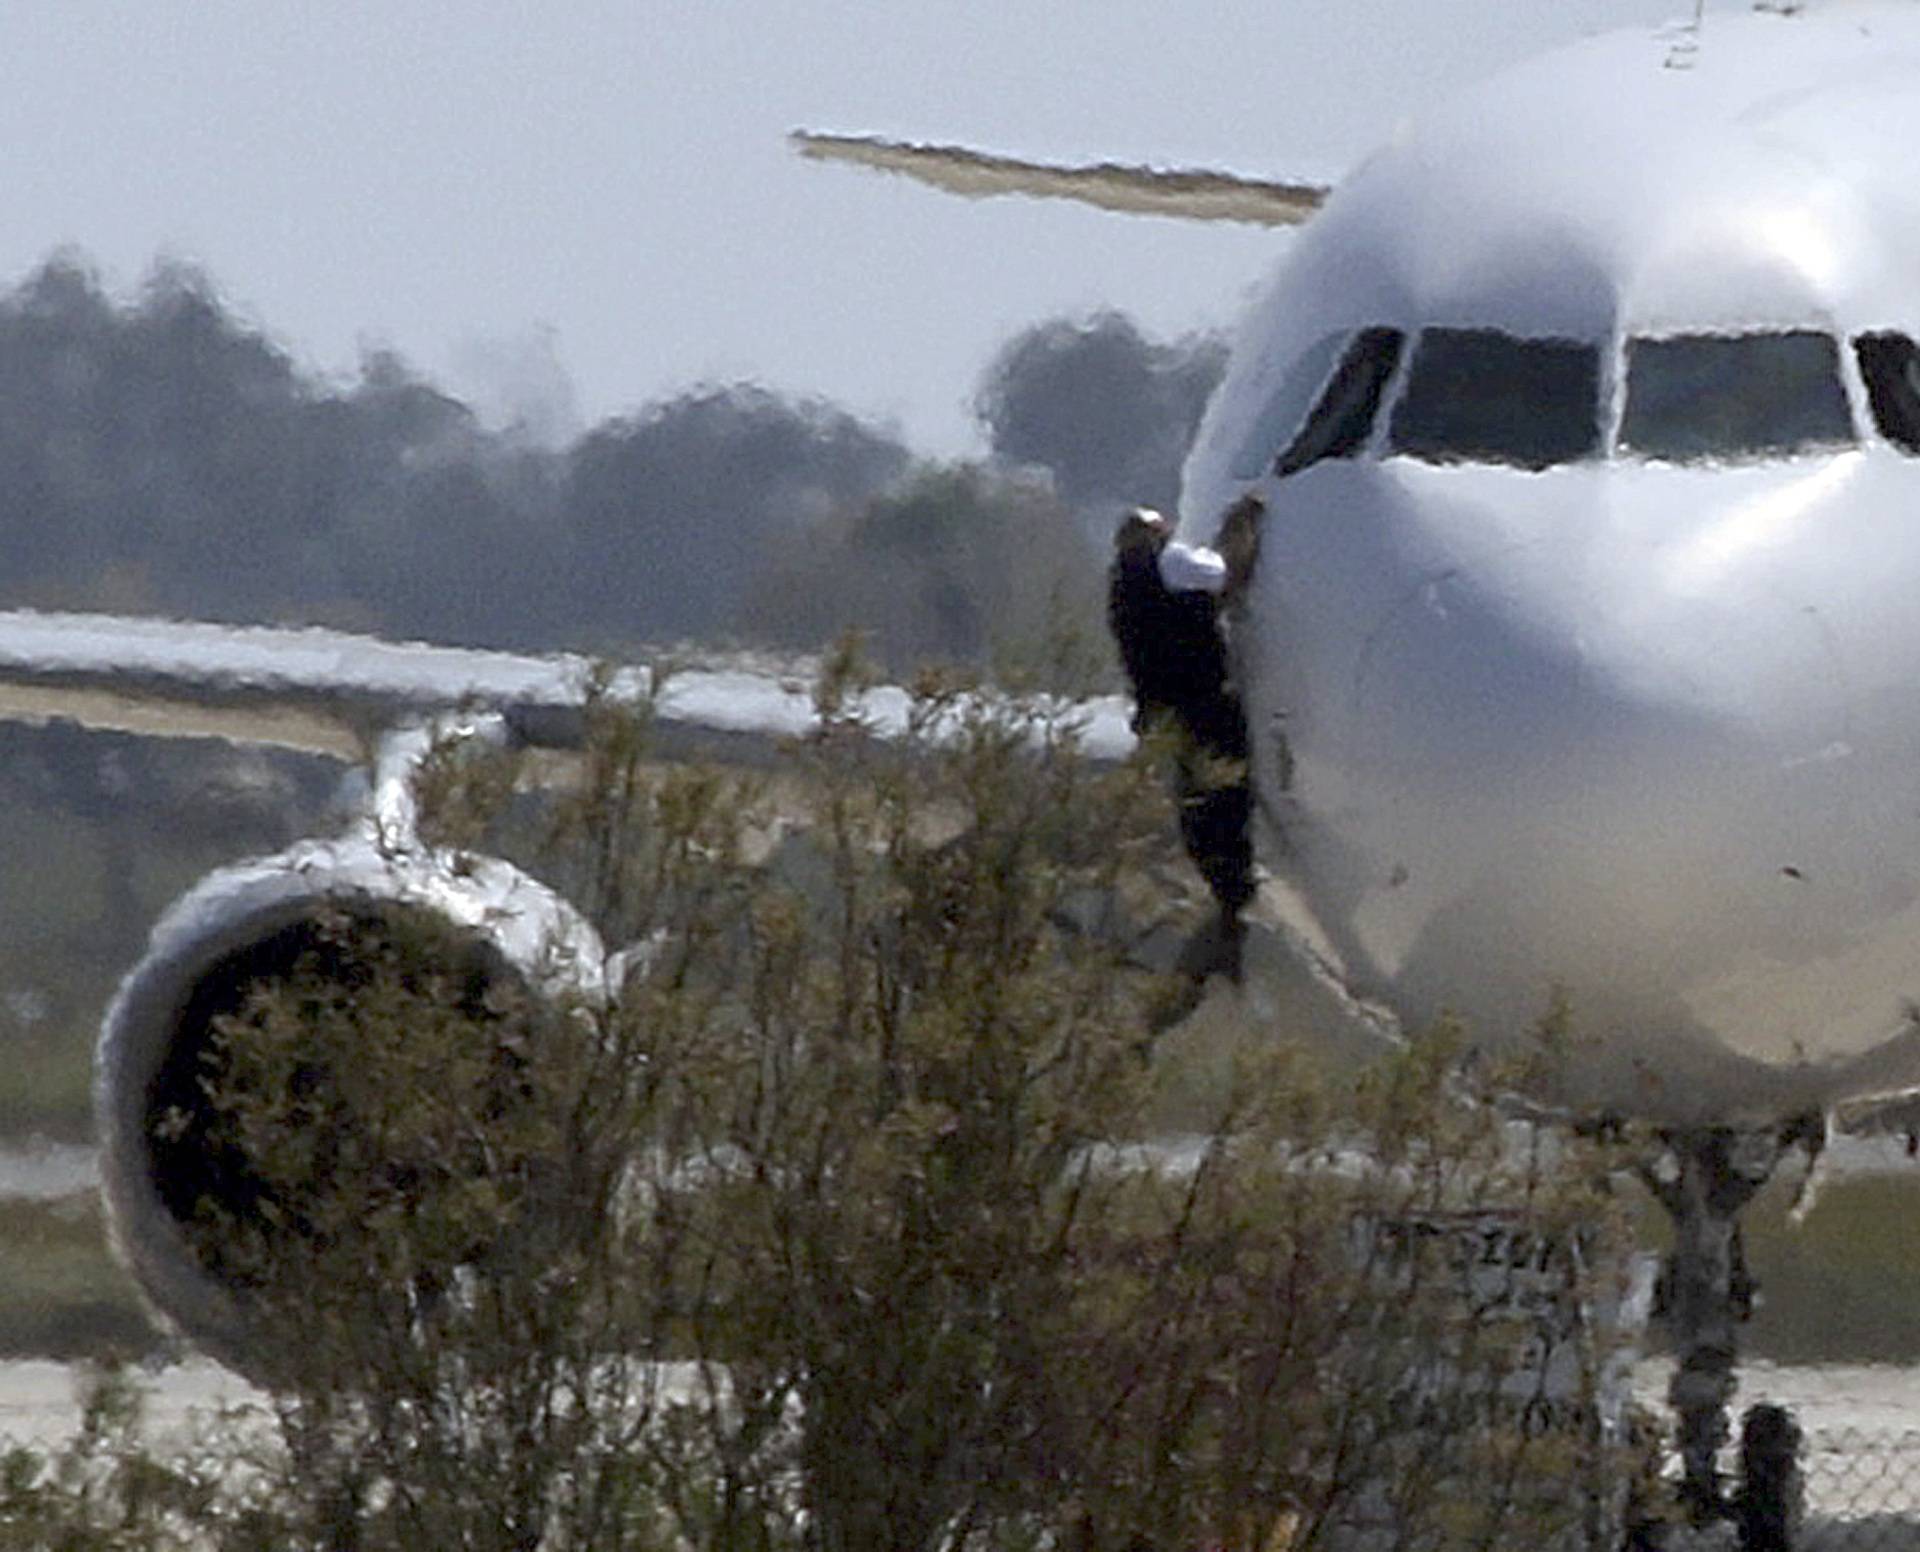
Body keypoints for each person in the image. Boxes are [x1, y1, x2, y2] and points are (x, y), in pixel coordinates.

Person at [1107, 505, 1257, 973]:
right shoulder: (1170, 563)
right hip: (1204, 704)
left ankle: (1225, 897)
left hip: (1165, 716)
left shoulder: (1120, 588)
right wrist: (1241, 531)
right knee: (1229, 793)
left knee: (1195, 801)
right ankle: (1238, 898)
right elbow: (1224, 576)